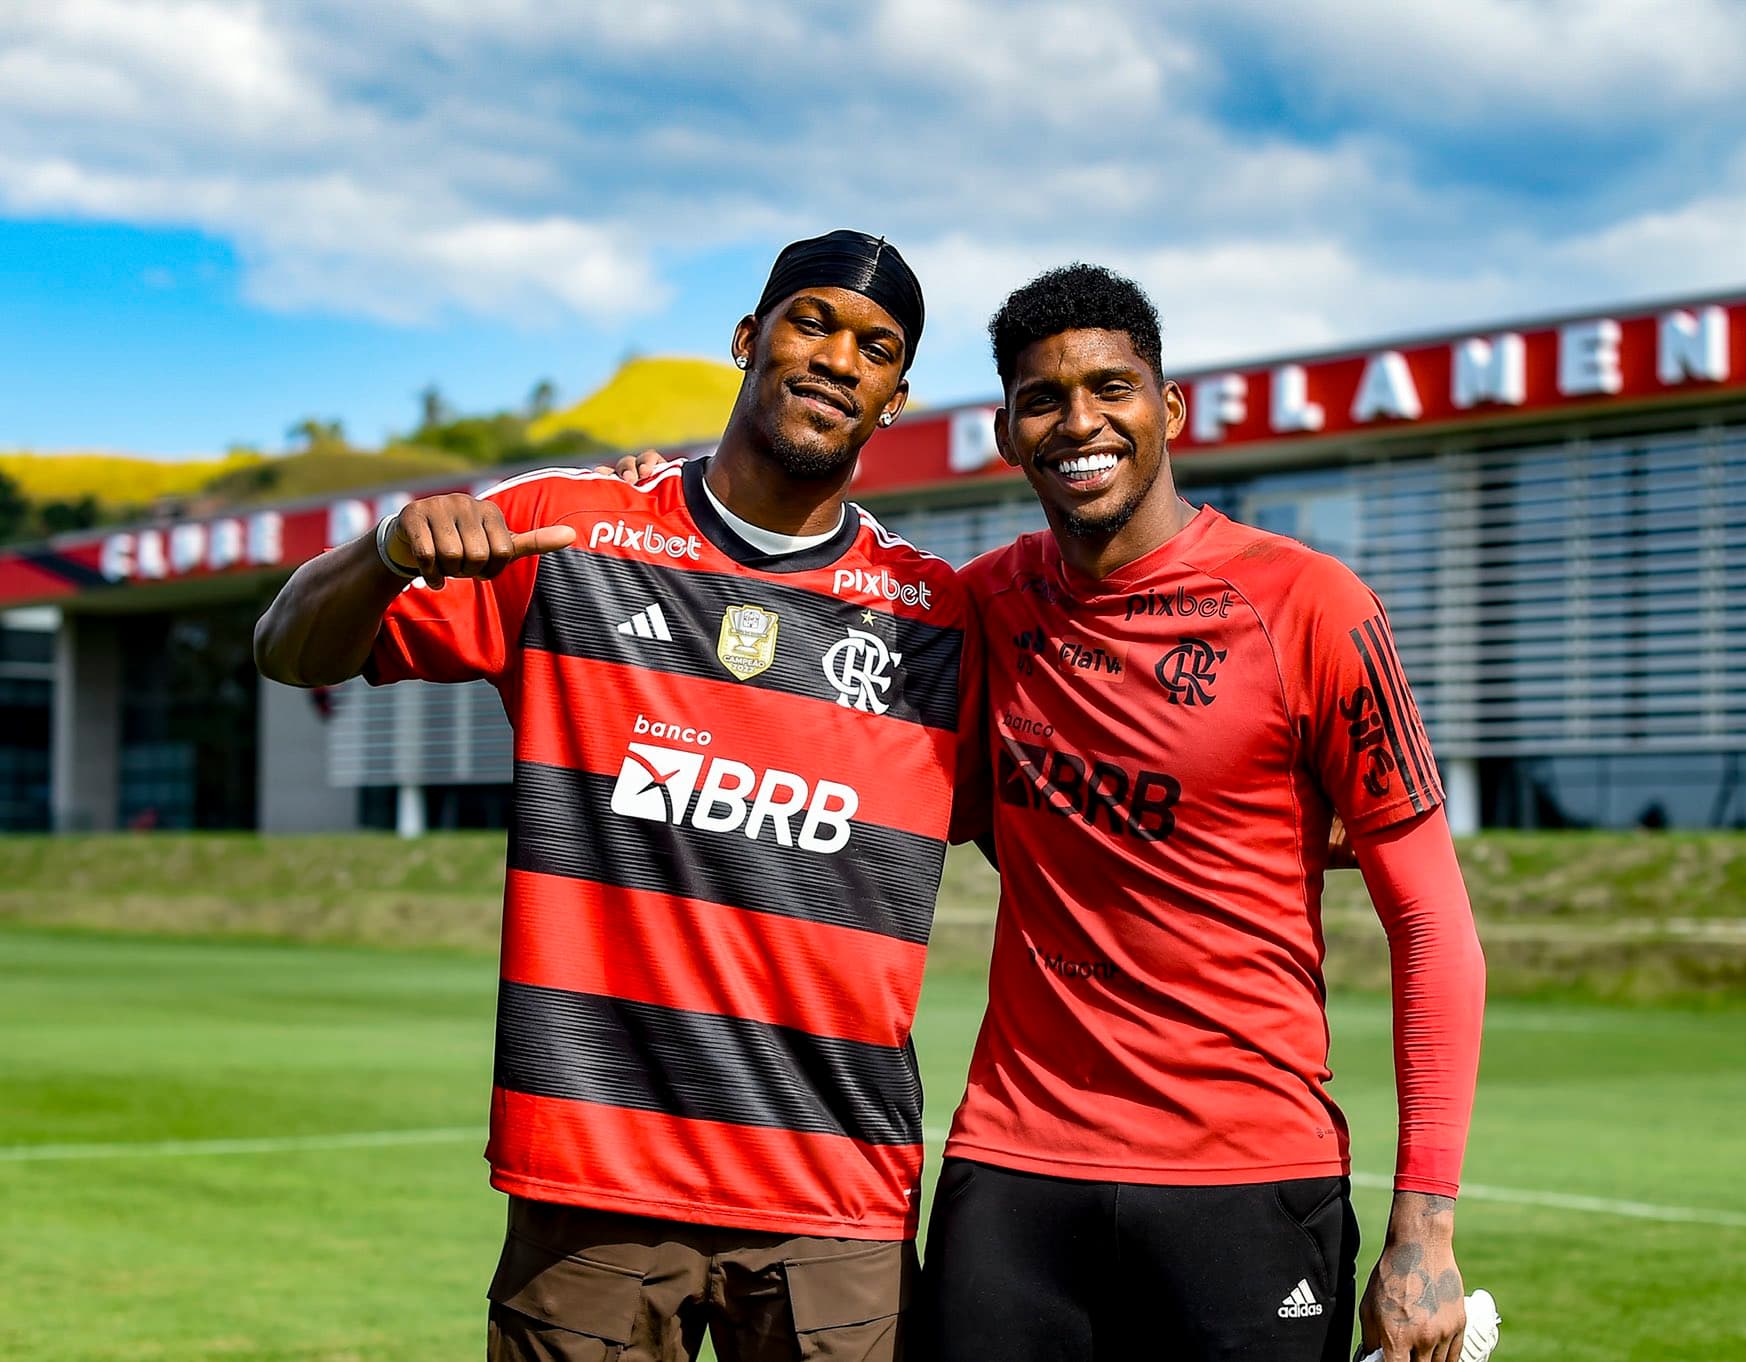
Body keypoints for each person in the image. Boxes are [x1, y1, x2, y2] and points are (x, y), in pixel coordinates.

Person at [254, 230, 981, 1362]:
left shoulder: (931, 617)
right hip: (592, 1183)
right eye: (811, 321)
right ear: (748, 341)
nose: (839, 356)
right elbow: (292, 649)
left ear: (894, 397)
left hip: (831, 1194)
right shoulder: (567, 531)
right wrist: (389, 550)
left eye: (875, 346)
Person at [916, 264, 1486, 1362]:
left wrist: (1425, 1222)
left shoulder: (1311, 605)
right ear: (1005, 430)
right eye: (1043, 398)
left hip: (1248, 1179)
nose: (1079, 422)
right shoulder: (982, 605)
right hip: (1015, 1176)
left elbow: (1430, 925)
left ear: (1167, 408)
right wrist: (676, 505)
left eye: (1110, 387)